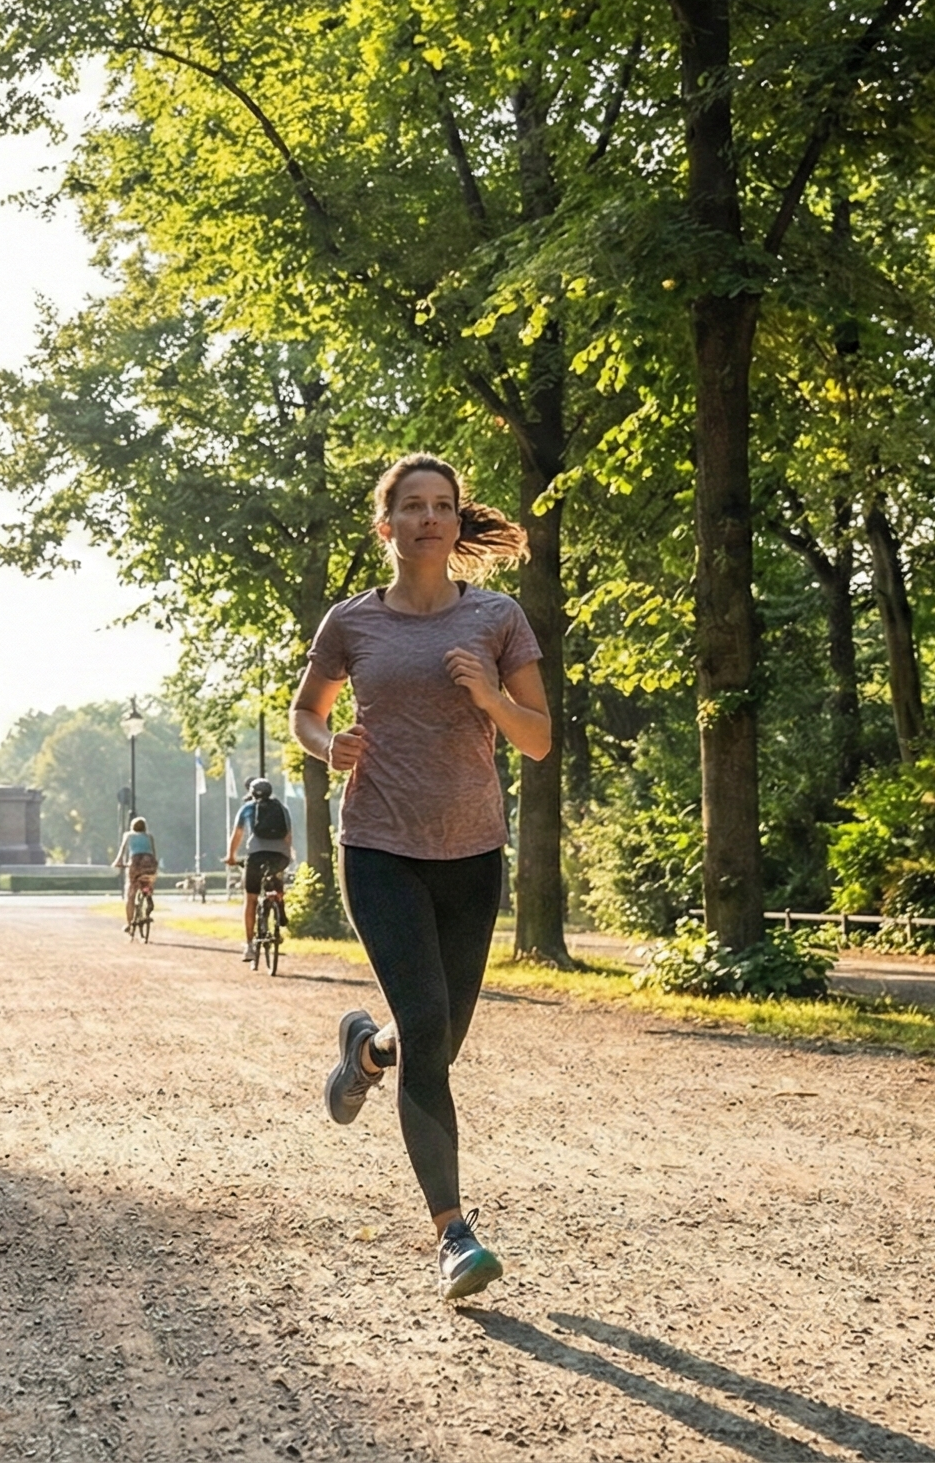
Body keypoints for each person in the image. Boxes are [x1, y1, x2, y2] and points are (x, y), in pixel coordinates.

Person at [293, 452, 552, 1301]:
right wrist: (329, 745)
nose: (431, 518)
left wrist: (490, 696)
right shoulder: (352, 622)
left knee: (430, 1042)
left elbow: (538, 738)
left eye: (444, 505)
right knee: (432, 1028)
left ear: (455, 521)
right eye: (413, 506)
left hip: (473, 853)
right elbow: (307, 709)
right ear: (388, 526)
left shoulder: (499, 619)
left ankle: (367, 1053)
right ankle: (454, 1236)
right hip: (378, 847)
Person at [223, 776, 294, 964]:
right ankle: (279, 902)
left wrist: (231, 857)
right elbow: (288, 836)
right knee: (275, 876)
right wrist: (286, 855)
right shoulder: (282, 809)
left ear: (252, 794)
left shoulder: (247, 808)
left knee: (251, 899)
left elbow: (237, 835)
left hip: (256, 856)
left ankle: (249, 946)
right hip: (280, 857)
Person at [112, 817, 158, 925]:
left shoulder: (128, 835)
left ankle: (129, 923)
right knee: (148, 880)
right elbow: (154, 853)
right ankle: (148, 893)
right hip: (149, 862)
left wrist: (117, 862)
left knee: (131, 893)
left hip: (136, 862)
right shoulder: (149, 837)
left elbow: (122, 851)